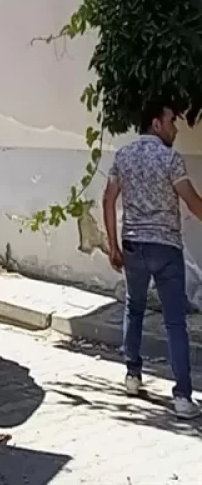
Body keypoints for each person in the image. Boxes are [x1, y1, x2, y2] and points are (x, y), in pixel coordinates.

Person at [104, 98, 202, 419]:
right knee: (175, 322)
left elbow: (108, 199)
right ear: (156, 124)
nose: (175, 128)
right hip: (166, 248)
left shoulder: (123, 156)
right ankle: (183, 398)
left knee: (134, 307)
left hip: (134, 246)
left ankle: (132, 376)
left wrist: (113, 245)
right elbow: (192, 202)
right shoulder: (171, 160)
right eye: (171, 121)